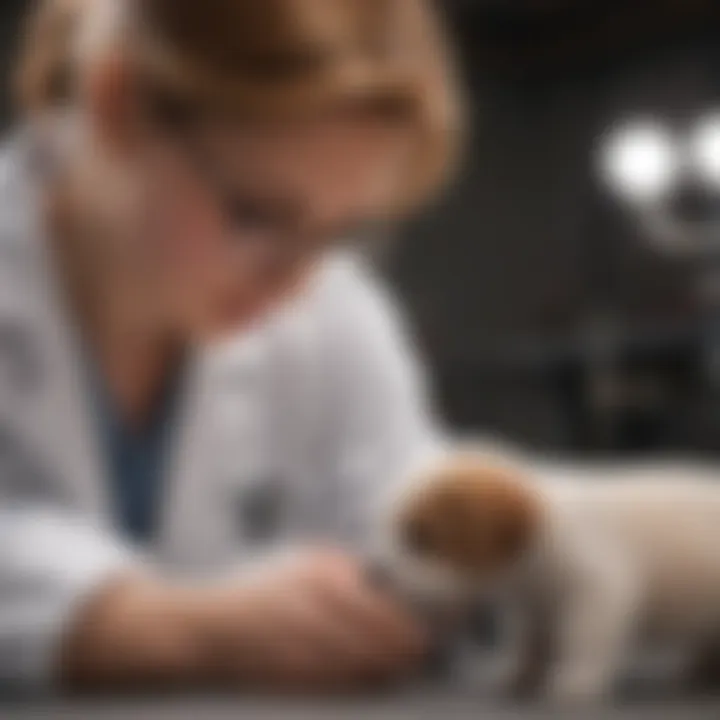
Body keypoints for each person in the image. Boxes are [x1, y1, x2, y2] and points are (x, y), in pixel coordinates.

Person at [0, 0, 463, 694]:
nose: (296, 284)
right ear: (117, 103)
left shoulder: (337, 309)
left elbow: (415, 511)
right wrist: (149, 624)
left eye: (338, 233)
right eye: (256, 215)